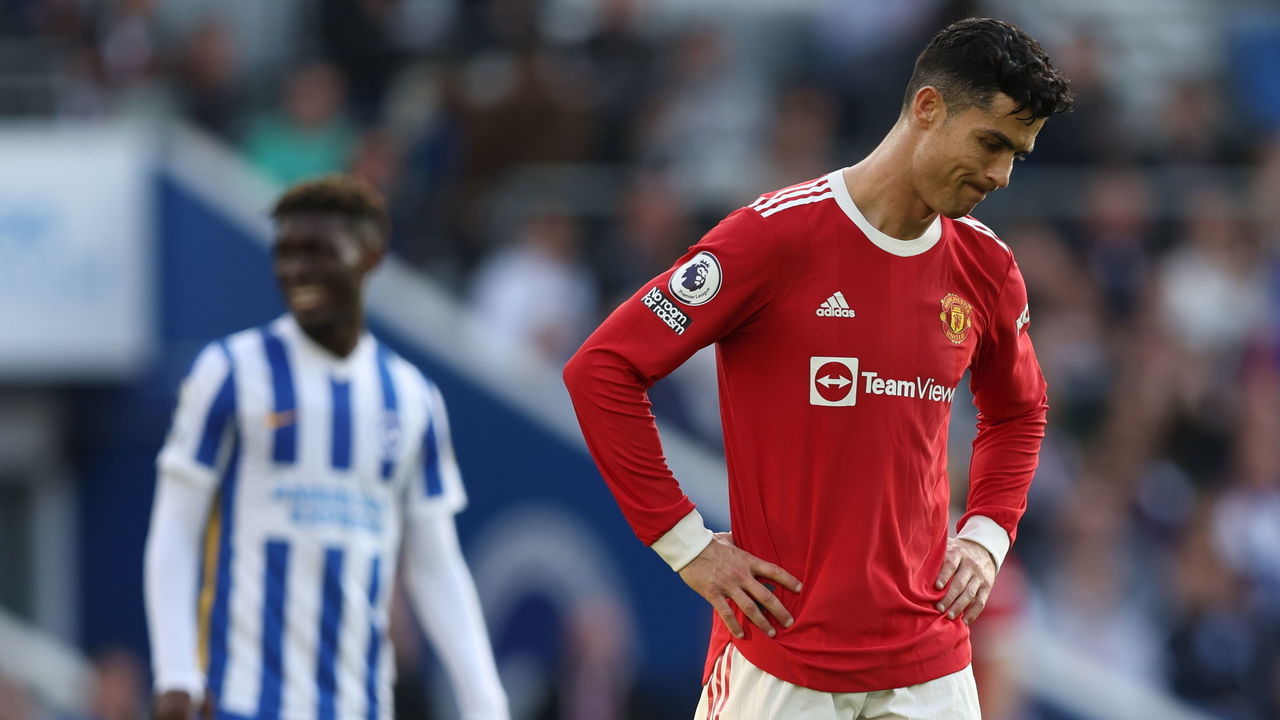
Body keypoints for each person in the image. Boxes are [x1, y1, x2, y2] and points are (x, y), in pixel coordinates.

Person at [563, 17, 1072, 719]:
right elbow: (602, 370)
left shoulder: (985, 266)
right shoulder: (774, 237)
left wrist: (987, 536)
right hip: (780, 659)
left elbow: (1020, 409)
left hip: (929, 667)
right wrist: (686, 545)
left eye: (1017, 154)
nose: (1001, 175)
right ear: (927, 108)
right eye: (991, 143)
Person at [144, 175, 509, 720]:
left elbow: (435, 565)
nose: (297, 269)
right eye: (285, 253)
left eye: (317, 251)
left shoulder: (412, 396)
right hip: (241, 701)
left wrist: (485, 701)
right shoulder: (230, 371)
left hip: (361, 704)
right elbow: (175, 528)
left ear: (370, 256)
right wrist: (175, 673)